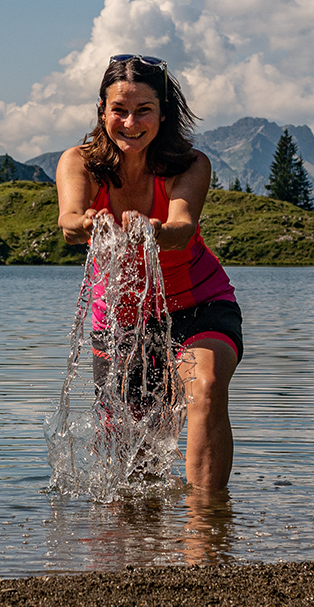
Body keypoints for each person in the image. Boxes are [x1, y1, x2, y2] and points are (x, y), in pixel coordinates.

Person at [56, 54, 243, 491]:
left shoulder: (190, 165)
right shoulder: (79, 162)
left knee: (206, 387)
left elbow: (180, 229)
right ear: (102, 110)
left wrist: (153, 230)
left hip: (199, 304)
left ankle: (206, 531)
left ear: (163, 114)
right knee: (133, 450)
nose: (130, 122)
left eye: (144, 111)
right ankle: (138, 545)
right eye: (119, 109)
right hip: (121, 318)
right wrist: (86, 223)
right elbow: (69, 223)